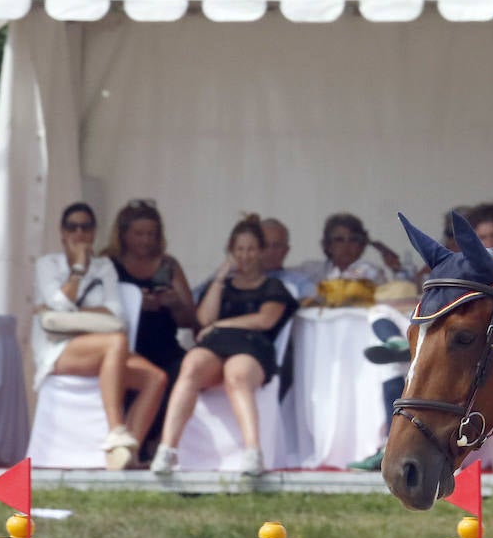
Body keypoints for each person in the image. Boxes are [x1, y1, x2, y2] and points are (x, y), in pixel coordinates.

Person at [348, 203, 493, 472]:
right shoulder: (447, 264)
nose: (488, 243)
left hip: (478, 350)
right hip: (442, 337)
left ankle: (404, 352)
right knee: (384, 334)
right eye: (481, 238)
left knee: (403, 361)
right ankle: (398, 347)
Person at [150, 215, 298, 477]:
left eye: (251, 249)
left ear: (262, 251)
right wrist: (219, 279)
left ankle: (253, 452)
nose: (245, 255)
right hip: (215, 348)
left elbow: (266, 319)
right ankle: (167, 448)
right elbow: (204, 319)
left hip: (252, 348)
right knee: (192, 364)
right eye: (239, 249)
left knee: (237, 373)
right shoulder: (222, 286)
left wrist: (223, 325)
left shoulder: (273, 286)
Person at [33, 203, 168, 470]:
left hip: (103, 348)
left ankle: (126, 454)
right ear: (62, 232)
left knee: (156, 378)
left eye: (86, 226)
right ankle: (116, 429)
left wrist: (72, 314)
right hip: (59, 349)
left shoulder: (104, 266)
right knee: (115, 342)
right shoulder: (47, 264)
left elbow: (118, 313)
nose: (79, 232)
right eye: (72, 226)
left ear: (94, 232)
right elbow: (58, 304)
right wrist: (79, 270)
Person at [103, 199, 197, 457]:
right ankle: (136, 443)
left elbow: (191, 319)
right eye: (139, 234)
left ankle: (158, 440)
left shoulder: (168, 265)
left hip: (165, 346)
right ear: (123, 234)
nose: (145, 240)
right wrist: (133, 303)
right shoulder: (108, 264)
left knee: (185, 372)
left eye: (151, 234)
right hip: (127, 347)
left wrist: (174, 304)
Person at [293, 213, 420, 293]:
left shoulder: (372, 273)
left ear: (361, 245)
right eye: (339, 240)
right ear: (328, 245)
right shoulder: (311, 270)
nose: (346, 246)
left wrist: (397, 269)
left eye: (353, 240)